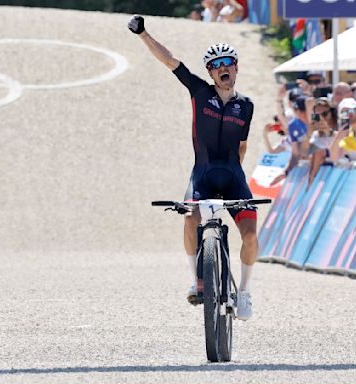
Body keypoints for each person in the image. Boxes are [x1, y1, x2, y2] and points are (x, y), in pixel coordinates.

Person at [128, 15, 257, 321]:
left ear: (236, 67)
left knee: (250, 235)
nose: (223, 67)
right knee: (189, 219)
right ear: (210, 72)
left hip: (233, 176)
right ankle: (195, 279)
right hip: (203, 174)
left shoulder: (247, 105)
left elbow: (242, 146)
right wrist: (143, 33)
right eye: (216, 64)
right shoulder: (199, 92)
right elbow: (170, 60)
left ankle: (246, 293)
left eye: (228, 62)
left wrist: (236, 178)